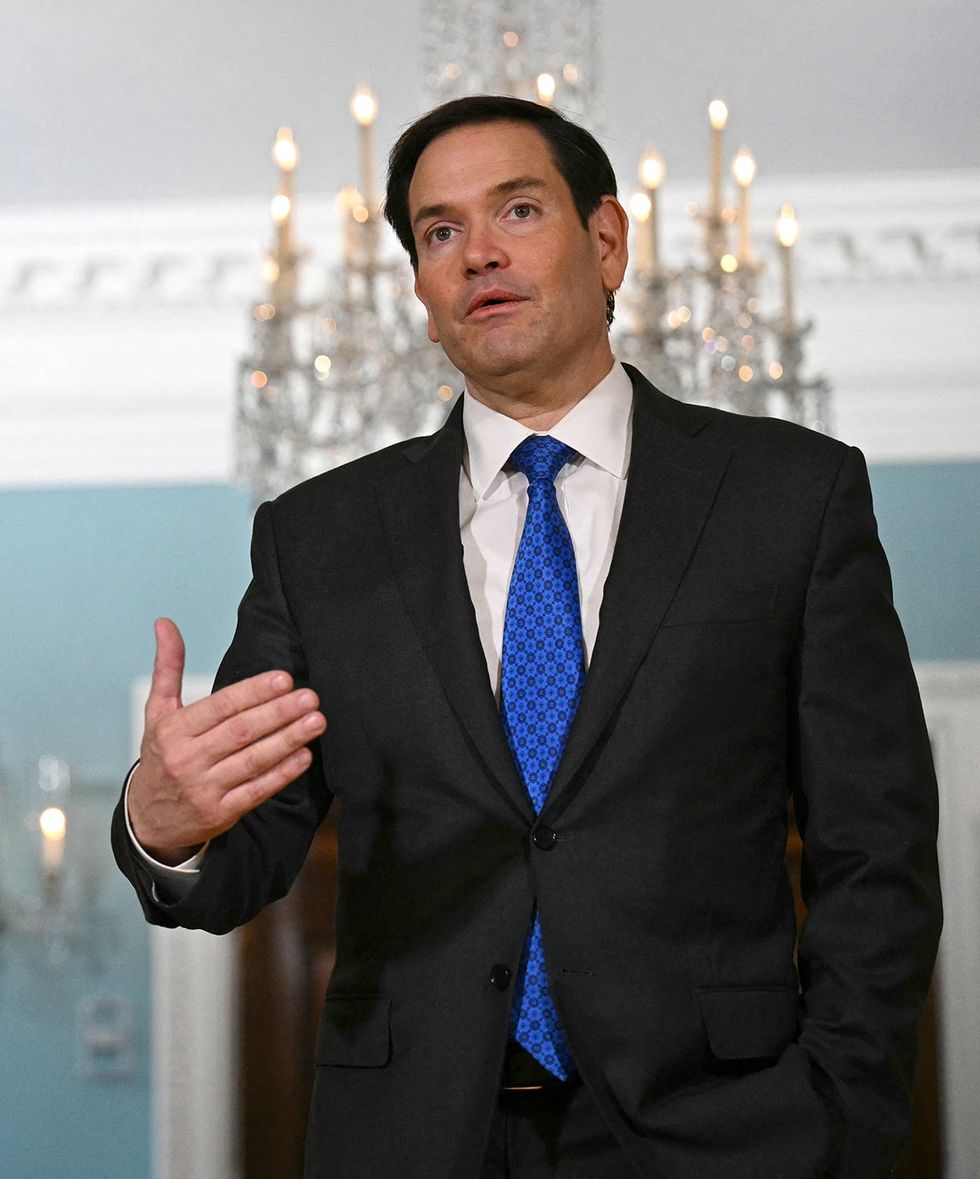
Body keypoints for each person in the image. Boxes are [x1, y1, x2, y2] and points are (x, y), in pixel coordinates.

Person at [113, 95, 942, 1178]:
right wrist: (160, 823)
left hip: (727, 1133)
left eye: (516, 209)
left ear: (605, 243)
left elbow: (873, 847)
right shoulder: (318, 536)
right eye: (440, 232)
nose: (477, 255)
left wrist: (837, 1113)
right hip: (410, 1138)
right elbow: (240, 861)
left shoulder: (789, 497)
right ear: (417, 289)